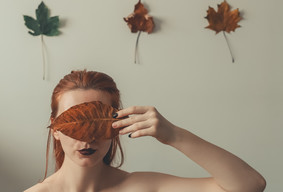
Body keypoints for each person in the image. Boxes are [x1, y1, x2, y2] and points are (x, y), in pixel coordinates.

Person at [24, 70, 266, 192]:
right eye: (74, 122)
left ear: (118, 124)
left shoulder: (140, 187)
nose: (89, 136)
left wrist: (173, 135)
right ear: (56, 128)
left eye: (99, 123)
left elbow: (250, 184)